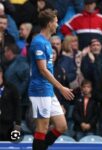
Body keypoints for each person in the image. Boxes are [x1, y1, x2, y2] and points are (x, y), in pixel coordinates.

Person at [28, 9, 74, 150]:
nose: (57, 25)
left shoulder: (47, 42)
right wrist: (61, 87)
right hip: (39, 89)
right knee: (42, 128)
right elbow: (42, 70)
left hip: (48, 89)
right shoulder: (38, 42)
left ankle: (41, 147)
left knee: (61, 126)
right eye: (55, 22)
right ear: (49, 24)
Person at [0, 66, 21, 141]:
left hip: (9, 125)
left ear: (1, 73)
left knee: (15, 143)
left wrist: (18, 124)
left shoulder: (12, 88)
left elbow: (18, 107)